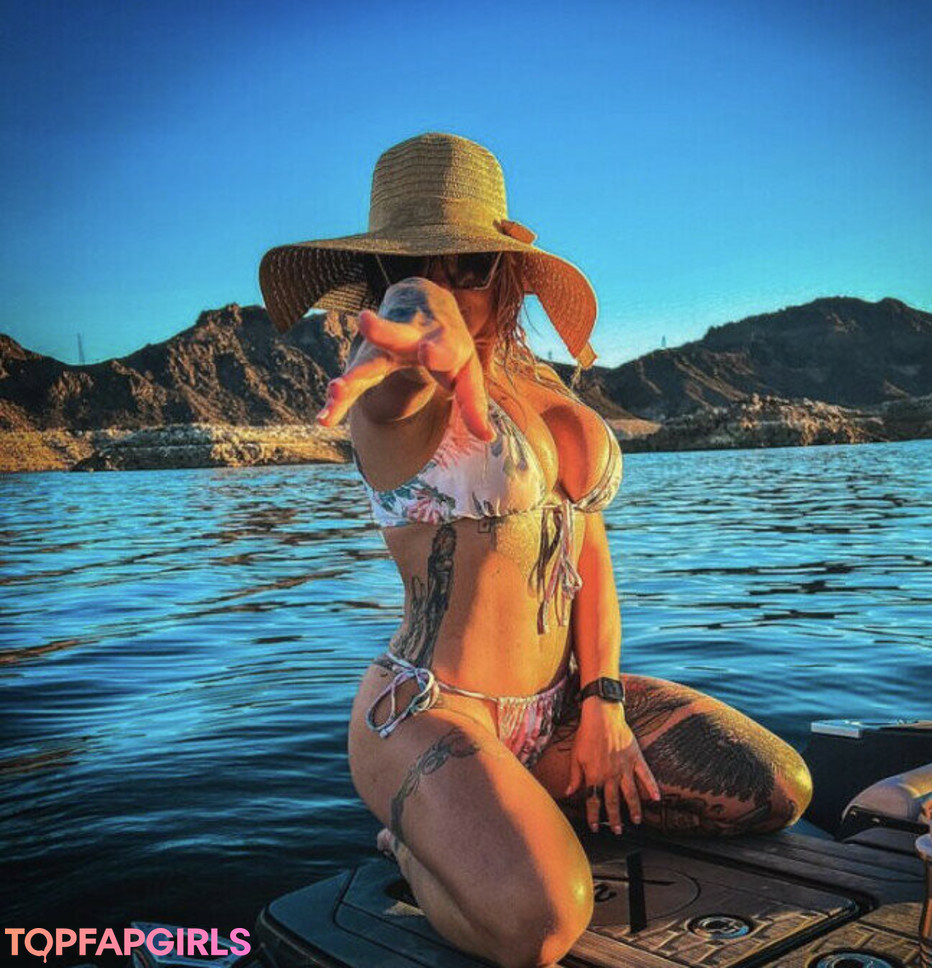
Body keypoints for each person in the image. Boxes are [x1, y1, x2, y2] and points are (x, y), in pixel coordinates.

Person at [259, 132, 813, 968]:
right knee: (543, 926)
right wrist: (414, 320)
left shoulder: (544, 387)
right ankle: (411, 843)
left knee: (775, 791)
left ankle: (520, 804)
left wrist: (604, 703)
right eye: (407, 269)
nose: (443, 289)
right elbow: (411, 328)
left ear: (508, 272)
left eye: (469, 267)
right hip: (432, 713)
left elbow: (589, 552)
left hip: (559, 713)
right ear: (377, 284)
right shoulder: (396, 395)